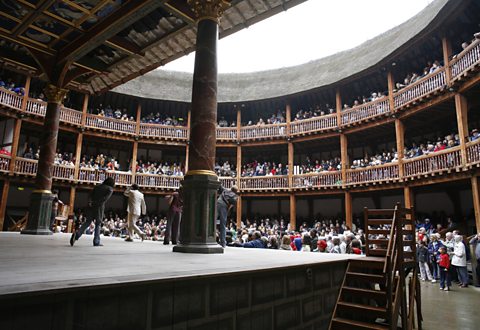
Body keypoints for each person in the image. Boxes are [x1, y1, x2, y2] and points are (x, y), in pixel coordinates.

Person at [70, 177, 115, 246]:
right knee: (98, 224)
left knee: (88, 222)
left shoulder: (97, 186)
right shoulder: (110, 189)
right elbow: (104, 199)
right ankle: (96, 241)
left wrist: (91, 202)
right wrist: (97, 203)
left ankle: (77, 235)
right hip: (99, 207)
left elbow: (90, 195)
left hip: (91, 206)